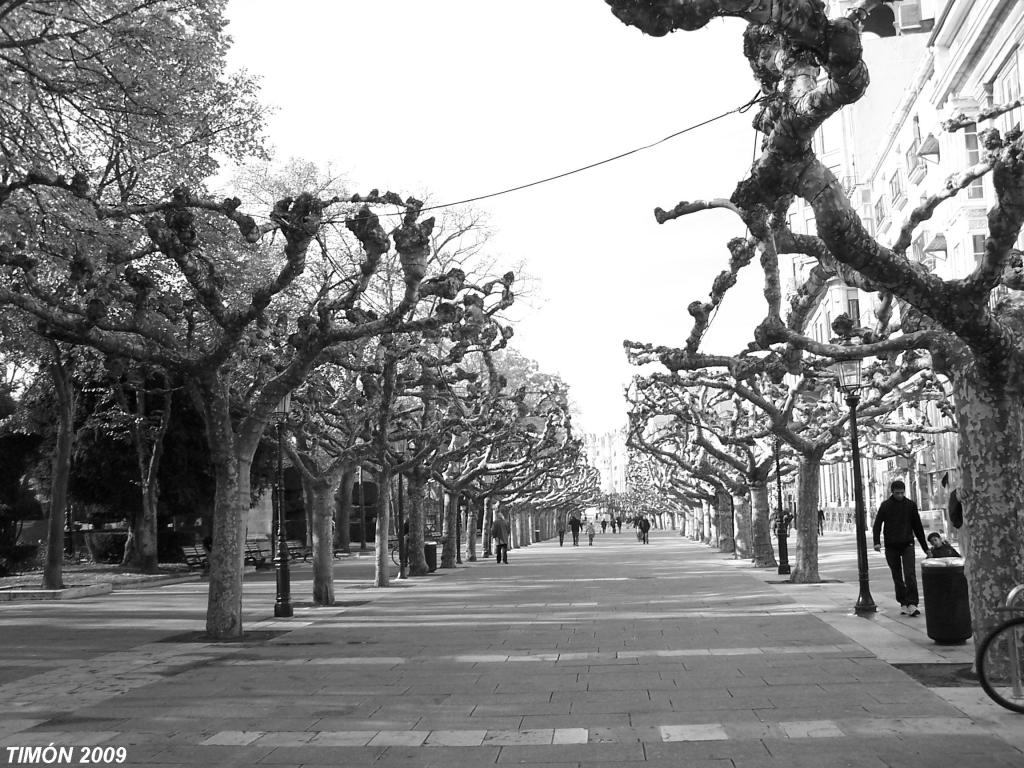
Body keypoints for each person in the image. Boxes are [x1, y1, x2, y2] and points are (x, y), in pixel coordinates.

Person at [872, 480, 929, 616]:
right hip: (891, 546)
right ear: (892, 492)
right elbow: (877, 525)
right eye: (897, 493)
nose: (900, 495)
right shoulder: (885, 506)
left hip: (907, 543)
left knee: (910, 574)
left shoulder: (910, 505)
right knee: (897, 575)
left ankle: (912, 603)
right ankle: (903, 602)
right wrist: (877, 542)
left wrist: (925, 548)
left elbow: (918, 527)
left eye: (902, 493)